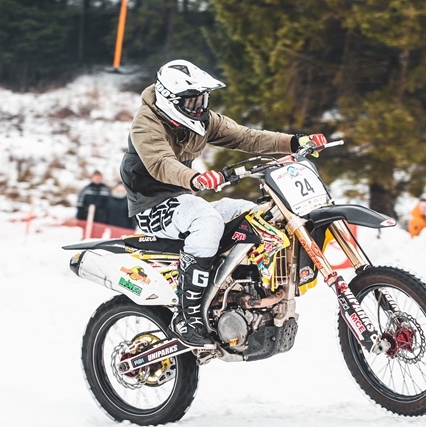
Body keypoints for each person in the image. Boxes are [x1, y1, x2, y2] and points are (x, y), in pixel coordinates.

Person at [120, 59, 325, 347]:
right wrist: (195, 178)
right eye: (193, 101)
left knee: (250, 214)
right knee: (208, 221)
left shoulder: (203, 120)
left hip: (183, 199)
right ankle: (187, 315)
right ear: (170, 100)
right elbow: (161, 163)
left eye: (203, 99)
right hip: (153, 206)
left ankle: (242, 291)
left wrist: (294, 142)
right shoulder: (146, 124)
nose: (200, 108)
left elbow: (246, 137)